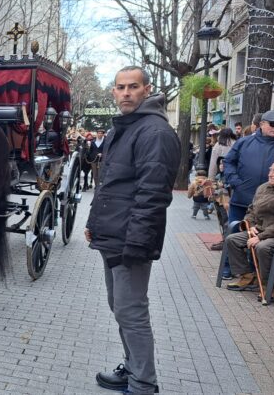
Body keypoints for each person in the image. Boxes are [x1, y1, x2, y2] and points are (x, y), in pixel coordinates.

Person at [85, 66, 180, 394]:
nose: (126, 92)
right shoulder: (122, 129)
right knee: (121, 308)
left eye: (133, 87)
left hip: (131, 241)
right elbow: (109, 185)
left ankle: (143, 384)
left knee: (131, 311)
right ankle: (133, 368)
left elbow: (152, 195)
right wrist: (92, 225)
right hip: (113, 237)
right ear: (113, 92)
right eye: (120, 87)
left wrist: (136, 244)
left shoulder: (154, 132)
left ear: (146, 90)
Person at [221, 110, 274, 279]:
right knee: (233, 234)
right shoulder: (244, 142)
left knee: (260, 239)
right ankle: (231, 269)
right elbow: (228, 161)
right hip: (242, 199)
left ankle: (258, 273)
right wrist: (235, 182)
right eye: (272, 124)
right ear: (261, 125)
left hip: (268, 206)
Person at [224, 160, 274, 299]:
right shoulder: (263, 188)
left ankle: (270, 285)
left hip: (272, 234)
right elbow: (251, 210)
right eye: (270, 170)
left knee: (262, 247)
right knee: (232, 239)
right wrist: (251, 225)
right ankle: (247, 276)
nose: (270, 174)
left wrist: (260, 237)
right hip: (259, 230)